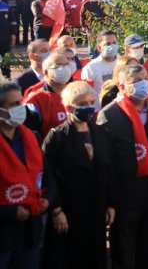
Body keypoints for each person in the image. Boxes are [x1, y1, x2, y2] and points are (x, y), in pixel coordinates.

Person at [97, 63, 148, 269]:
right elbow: (105, 161)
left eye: (145, 78)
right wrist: (110, 197)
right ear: (121, 87)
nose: (143, 84)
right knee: (124, 242)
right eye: (136, 82)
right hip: (125, 191)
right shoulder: (110, 115)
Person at [41, 80, 115, 269]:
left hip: (96, 206)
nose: (88, 108)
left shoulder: (100, 132)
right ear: (68, 107)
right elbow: (48, 175)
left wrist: (110, 203)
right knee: (70, 255)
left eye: (91, 102)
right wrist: (56, 210)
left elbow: (107, 171)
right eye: (82, 105)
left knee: (96, 254)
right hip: (70, 208)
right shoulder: (57, 136)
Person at [0, 80, 53, 268]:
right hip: (4, 233)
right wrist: (10, 212)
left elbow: (46, 174)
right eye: (12, 105)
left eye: (20, 103)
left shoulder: (32, 136)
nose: (19, 108)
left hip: (31, 229)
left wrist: (47, 199)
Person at [23, 50, 72, 140]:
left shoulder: (77, 93)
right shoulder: (36, 99)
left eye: (66, 65)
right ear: (46, 72)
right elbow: (31, 135)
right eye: (58, 66)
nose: (64, 69)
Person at [81, 30, 119, 97]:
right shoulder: (90, 68)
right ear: (99, 48)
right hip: (100, 106)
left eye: (114, 43)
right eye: (107, 44)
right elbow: (85, 93)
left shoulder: (124, 62)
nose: (112, 46)